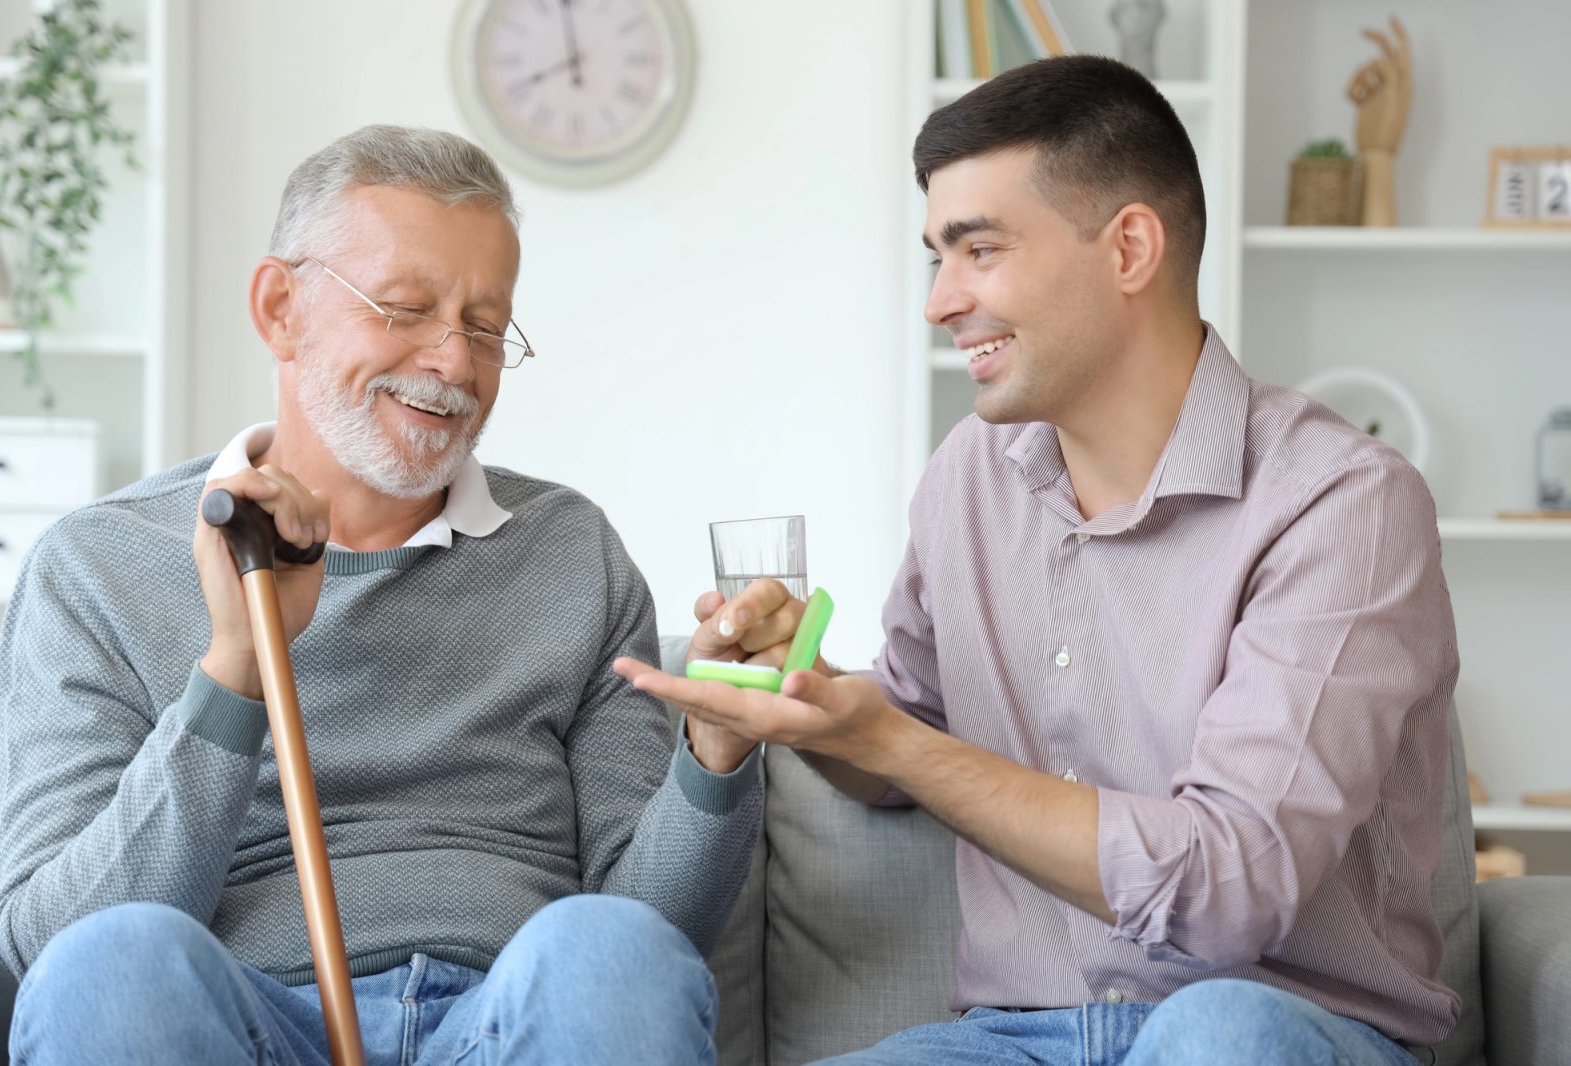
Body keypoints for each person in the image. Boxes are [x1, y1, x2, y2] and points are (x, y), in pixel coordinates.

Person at [617, 56, 1458, 1066]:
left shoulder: (1340, 503)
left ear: (1130, 248)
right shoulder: (968, 477)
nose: (938, 300)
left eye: (977, 251)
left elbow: (1232, 889)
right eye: (936, 256)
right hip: (1013, 1040)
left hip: (1271, 1029)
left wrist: (895, 744)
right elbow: (908, 733)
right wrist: (807, 695)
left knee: (1214, 1034)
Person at [0, 124, 760, 1066]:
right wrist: (235, 669)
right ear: (281, 308)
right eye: (403, 308)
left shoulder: (572, 553)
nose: (452, 363)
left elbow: (650, 938)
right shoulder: (100, 565)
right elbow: (51, 947)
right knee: (110, 963)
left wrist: (715, 753)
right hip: (244, 1028)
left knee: (613, 952)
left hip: (509, 1023)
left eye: (484, 327)